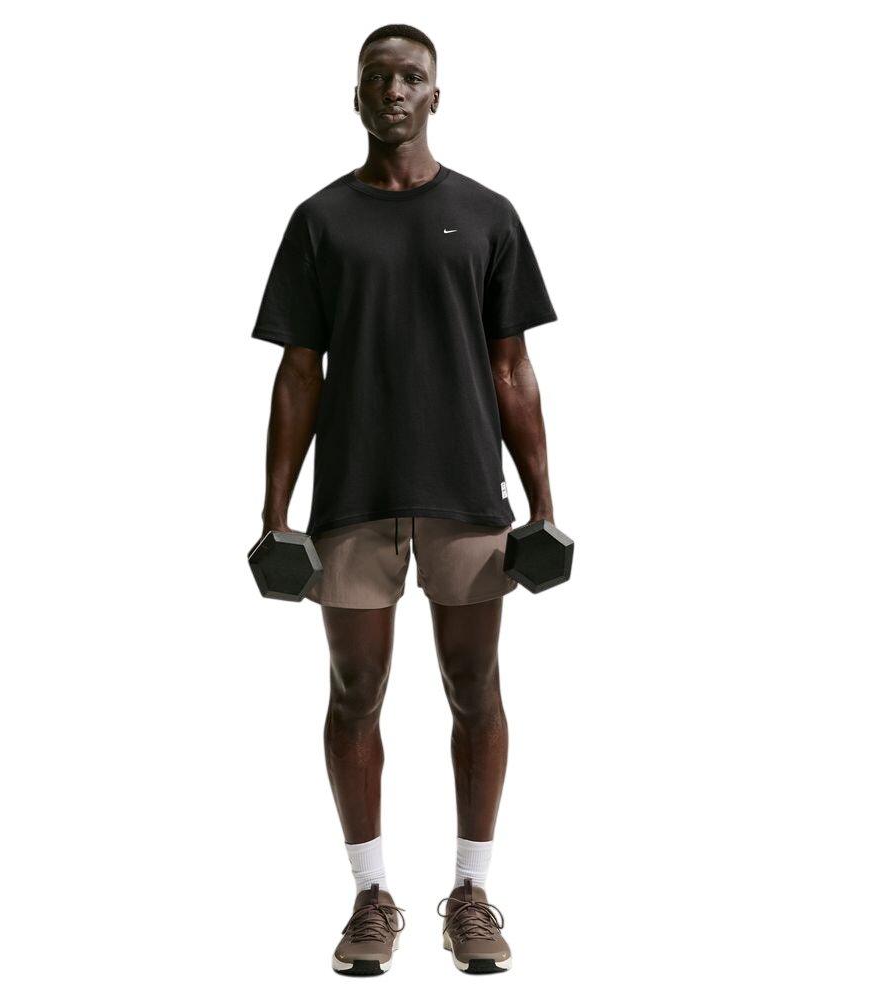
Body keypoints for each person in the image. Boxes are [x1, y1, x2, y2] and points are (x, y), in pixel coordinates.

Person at [249, 23, 559, 976]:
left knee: (476, 688)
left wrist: (544, 506)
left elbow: (513, 370)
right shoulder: (319, 220)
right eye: (377, 77)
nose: (394, 90)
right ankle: (371, 896)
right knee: (355, 692)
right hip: (354, 497)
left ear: (436, 96)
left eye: (411, 77)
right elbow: (298, 375)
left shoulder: (489, 215)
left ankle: (470, 893)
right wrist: (274, 516)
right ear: (356, 97)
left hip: (465, 495)